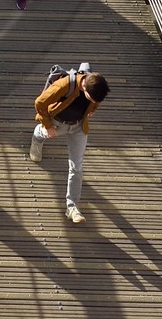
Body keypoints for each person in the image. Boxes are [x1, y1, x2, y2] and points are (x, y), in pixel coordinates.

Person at [32, 67, 110, 224]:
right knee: (43, 133)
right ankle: (37, 138)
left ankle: (72, 207)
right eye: (92, 99)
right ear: (84, 87)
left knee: (76, 167)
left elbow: (96, 101)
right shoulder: (64, 85)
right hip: (57, 123)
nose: (94, 102)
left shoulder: (95, 90)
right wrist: (48, 126)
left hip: (78, 127)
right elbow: (39, 103)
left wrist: (93, 107)